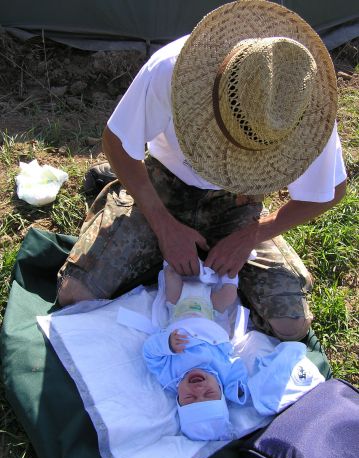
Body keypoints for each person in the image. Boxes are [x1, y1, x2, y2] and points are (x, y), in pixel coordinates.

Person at [57, 1, 347, 342]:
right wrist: (164, 226)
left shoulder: (300, 101)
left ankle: (198, 258)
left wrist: (252, 235)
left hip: (237, 205)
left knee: (291, 325)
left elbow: (332, 190)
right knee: (76, 294)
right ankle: (125, 202)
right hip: (164, 185)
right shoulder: (172, 69)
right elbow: (116, 141)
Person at [143, 263, 248, 441]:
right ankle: (230, 270)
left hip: (180, 307)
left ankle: (175, 257)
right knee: (229, 295)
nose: (199, 389)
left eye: (190, 397)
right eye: (209, 394)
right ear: (220, 390)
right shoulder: (223, 374)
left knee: (171, 275)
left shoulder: (169, 376)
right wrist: (238, 390)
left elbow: (149, 353)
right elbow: (237, 367)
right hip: (210, 310)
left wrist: (166, 344)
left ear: (178, 399)